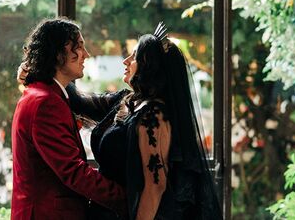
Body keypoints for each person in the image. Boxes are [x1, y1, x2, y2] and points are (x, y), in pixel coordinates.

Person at [73, 23, 222, 220]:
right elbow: (81, 102)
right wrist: (47, 71)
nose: (125, 61)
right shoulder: (126, 100)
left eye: (134, 56)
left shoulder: (154, 114)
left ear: (149, 66)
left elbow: (155, 187)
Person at [11, 18, 126, 220]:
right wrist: (127, 199)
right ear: (57, 53)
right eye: (79, 46)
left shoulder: (44, 94)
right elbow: (73, 172)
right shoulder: (46, 102)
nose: (86, 54)